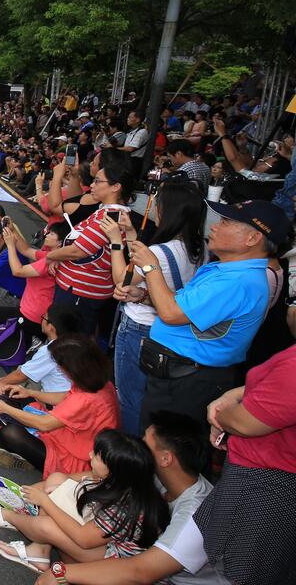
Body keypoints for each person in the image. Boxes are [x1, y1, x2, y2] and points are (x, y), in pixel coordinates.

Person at [133, 198, 282, 429]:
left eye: (225, 221)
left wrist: (151, 267)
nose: (214, 226)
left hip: (189, 381)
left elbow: (172, 313)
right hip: (180, 377)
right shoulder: (227, 270)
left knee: (167, 452)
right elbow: (184, 307)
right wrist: (143, 296)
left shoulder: (238, 281)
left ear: (252, 238)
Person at [28, 412, 225, 585]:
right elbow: (99, 476)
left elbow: (140, 571)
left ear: (166, 458)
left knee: (56, 528)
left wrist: (61, 573)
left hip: (158, 575)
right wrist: (50, 486)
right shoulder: (166, 473)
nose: (138, 444)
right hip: (132, 552)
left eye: (145, 442)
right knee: (66, 516)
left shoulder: (195, 516)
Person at [0, 430, 168, 573]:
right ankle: (39, 549)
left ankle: (10, 518)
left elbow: (83, 540)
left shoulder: (125, 507)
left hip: (111, 561)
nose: (90, 455)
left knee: (48, 525)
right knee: (57, 480)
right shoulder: (124, 480)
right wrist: (28, 494)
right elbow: (69, 479)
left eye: (97, 455)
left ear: (113, 468)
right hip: (99, 535)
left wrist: (44, 502)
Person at [103, 180, 207, 435]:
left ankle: (128, 452)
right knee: (148, 395)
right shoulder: (199, 248)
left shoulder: (160, 251)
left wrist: (116, 241)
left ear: (166, 211)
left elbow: (122, 279)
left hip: (139, 328)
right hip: (167, 332)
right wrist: (131, 237)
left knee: (130, 397)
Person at [197, 341, 296, 585]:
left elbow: (244, 422)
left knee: (236, 572)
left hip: (264, 492)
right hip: (260, 482)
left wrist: (220, 414)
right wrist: (236, 395)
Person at [0, 334, 120, 476]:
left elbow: (45, 424)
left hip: (72, 456)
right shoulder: (97, 381)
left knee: (10, 434)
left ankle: (16, 441)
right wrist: (30, 393)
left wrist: (5, 409)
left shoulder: (86, 399)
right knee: (14, 399)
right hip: (66, 435)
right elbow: (64, 396)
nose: (59, 367)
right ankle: (17, 436)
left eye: (59, 365)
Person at [43, 162, 135, 336]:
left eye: (98, 181)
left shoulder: (111, 216)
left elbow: (77, 251)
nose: (92, 185)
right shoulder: (105, 211)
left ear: (115, 187)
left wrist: (49, 257)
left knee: (69, 339)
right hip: (77, 287)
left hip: (80, 292)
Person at [0, 303, 77, 406]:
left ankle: (16, 410)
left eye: (44, 317)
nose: (42, 319)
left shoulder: (50, 351)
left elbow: (20, 376)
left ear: (51, 327)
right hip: (77, 401)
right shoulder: (81, 344)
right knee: (29, 381)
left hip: (56, 406)